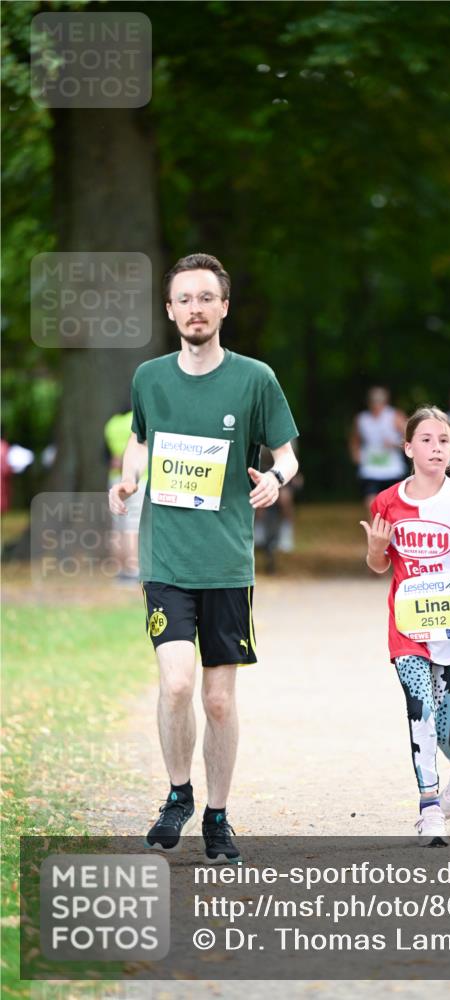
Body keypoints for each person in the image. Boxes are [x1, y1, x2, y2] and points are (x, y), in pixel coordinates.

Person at [108, 253, 298, 863]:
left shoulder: (255, 379)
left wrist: (274, 478)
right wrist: (126, 478)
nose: (195, 308)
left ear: (223, 306)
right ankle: (178, 794)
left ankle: (217, 813)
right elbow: (139, 440)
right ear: (170, 311)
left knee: (218, 700)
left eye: (205, 298)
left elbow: (288, 454)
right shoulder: (150, 378)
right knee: (176, 685)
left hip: (226, 563)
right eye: (184, 299)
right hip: (166, 560)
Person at [361, 405, 450, 840]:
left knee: (444, 730)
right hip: (407, 629)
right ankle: (430, 808)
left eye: (443, 441)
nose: (436, 447)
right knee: (418, 711)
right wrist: (376, 548)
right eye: (426, 440)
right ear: (407, 447)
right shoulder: (386, 502)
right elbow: (378, 566)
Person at [104, 407, 147, 580]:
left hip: (115, 478)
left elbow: (107, 453)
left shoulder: (112, 423)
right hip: (137, 478)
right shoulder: (137, 419)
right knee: (133, 524)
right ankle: (133, 569)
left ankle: (120, 568)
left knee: (118, 525)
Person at [350, 387, 407, 509]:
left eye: (379, 400)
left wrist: (394, 444)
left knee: (393, 509)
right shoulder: (362, 419)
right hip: (370, 470)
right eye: (373, 400)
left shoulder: (395, 416)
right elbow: (354, 440)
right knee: (372, 506)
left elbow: (411, 441)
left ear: (385, 401)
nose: (376, 404)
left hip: (392, 470)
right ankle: (373, 527)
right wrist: (356, 455)